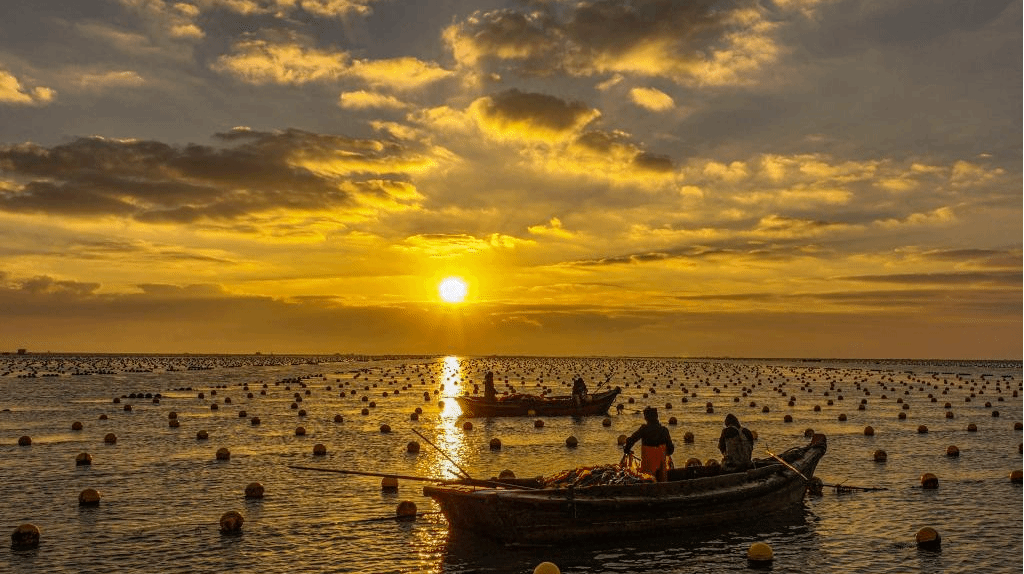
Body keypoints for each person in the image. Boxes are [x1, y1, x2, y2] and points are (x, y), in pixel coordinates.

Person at [623, 407, 674, 481]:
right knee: (662, 477)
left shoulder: (644, 429)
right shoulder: (664, 430)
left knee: (647, 479)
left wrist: (627, 449)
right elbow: (671, 449)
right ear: (657, 417)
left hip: (648, 467)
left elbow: (632, 439)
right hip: (661, 467)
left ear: (646, 418)